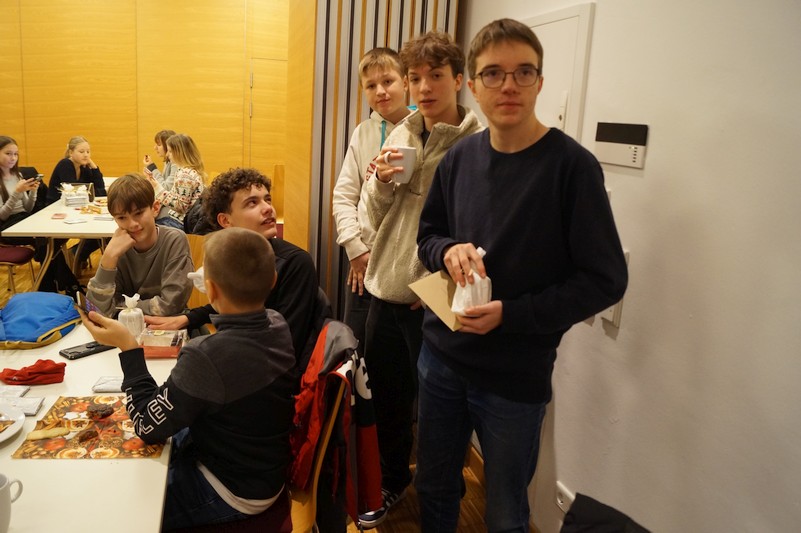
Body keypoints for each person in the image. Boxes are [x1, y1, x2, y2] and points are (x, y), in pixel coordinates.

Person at [414, 19, 629, 532]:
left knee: (506, 511)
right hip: (440, 358)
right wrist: (448, 251)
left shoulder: (572, 167)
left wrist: (511, 315)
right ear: (473, 85)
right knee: (434, 488)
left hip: (514, 376)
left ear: (539, 81)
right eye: (493, 73)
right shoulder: (459, 158)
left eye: (523, 72)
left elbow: (604, 279)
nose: (508, 85)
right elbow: (428, 237)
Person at [80, 227, 297, 530]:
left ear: (211, 290)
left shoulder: (206, 355)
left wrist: (128, 347)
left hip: (233, 491)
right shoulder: (278, 324)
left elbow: (145, 425)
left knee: (121, 510)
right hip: (263, 470)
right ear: (273, 280)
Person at [358, 31, 483, 528]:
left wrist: (437, 288)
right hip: (383, 290)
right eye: (415, 77)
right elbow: (371, 219)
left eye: (436, 75)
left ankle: (443, 496)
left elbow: (478, 232)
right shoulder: (401, 134)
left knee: (438, 410)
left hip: (432, 300)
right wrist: (381, 181)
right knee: (385, 399)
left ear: (459, 80)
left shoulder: (476, 145)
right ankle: (392, 480)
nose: (424, 87)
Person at [145, 167, 324, 374]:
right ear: (225, 221)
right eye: (252, 203)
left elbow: (287, 347)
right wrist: (188, 318)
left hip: (269, 375)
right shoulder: (234, 256)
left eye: (267, 199)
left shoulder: (295, 263)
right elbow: (237, 302)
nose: (268, 208)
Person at [333, 47, 411, 346]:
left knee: (400, 358)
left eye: (388, 81)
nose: (380, 91)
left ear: (405, 82)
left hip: (407, 266)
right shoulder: (363, 132)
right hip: (364, 262)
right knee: (356, 348)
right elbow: (343, 196)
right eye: (371, 85)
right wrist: (355, 249)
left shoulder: (423, 131)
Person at [86, 173, 194, 318]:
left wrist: (118, 308)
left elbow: (169, 305)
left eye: (138, 213)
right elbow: (95, 311)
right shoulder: (116, 249)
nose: (132, 224)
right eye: (122, 218)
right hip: (124, 328)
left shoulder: (174, 241)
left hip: (169, 325)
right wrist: (108, 258)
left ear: (155, 208)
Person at [150, 133, 206, 230]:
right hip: (176, 219)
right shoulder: (186, 171)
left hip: (177, 222)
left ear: (179, 153)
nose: (167, 154)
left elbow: (180, 207)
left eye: (170, 151)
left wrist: (157, 188)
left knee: (146, 228)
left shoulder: (185, 175)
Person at [46, 136, 106, 204]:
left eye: (88, 152)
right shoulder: (65, 165)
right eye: (81, 152)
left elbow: (101, 191)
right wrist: (92, 192)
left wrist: (94, 167)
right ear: (71, 152)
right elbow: (74, 194)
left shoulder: (83, 167)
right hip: (55, 205)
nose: (86, 155)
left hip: (74, 204)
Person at [0, 136, 39, 236]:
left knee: (57, 234)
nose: (13, 158)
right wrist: (17, 192)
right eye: (8, 154)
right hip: (8, 225)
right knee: (45, 237)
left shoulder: (17, 175)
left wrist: (33, 191)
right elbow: (2, 216)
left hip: (23, 218)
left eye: (16, 154)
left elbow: (27, 208)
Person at [143, 128, 178, 221]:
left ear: (168, 146)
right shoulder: (168, 161)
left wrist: (152, 168)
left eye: (158, 145)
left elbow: (165, 188)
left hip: (171, 212)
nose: (155, 148)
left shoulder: (176, 163)